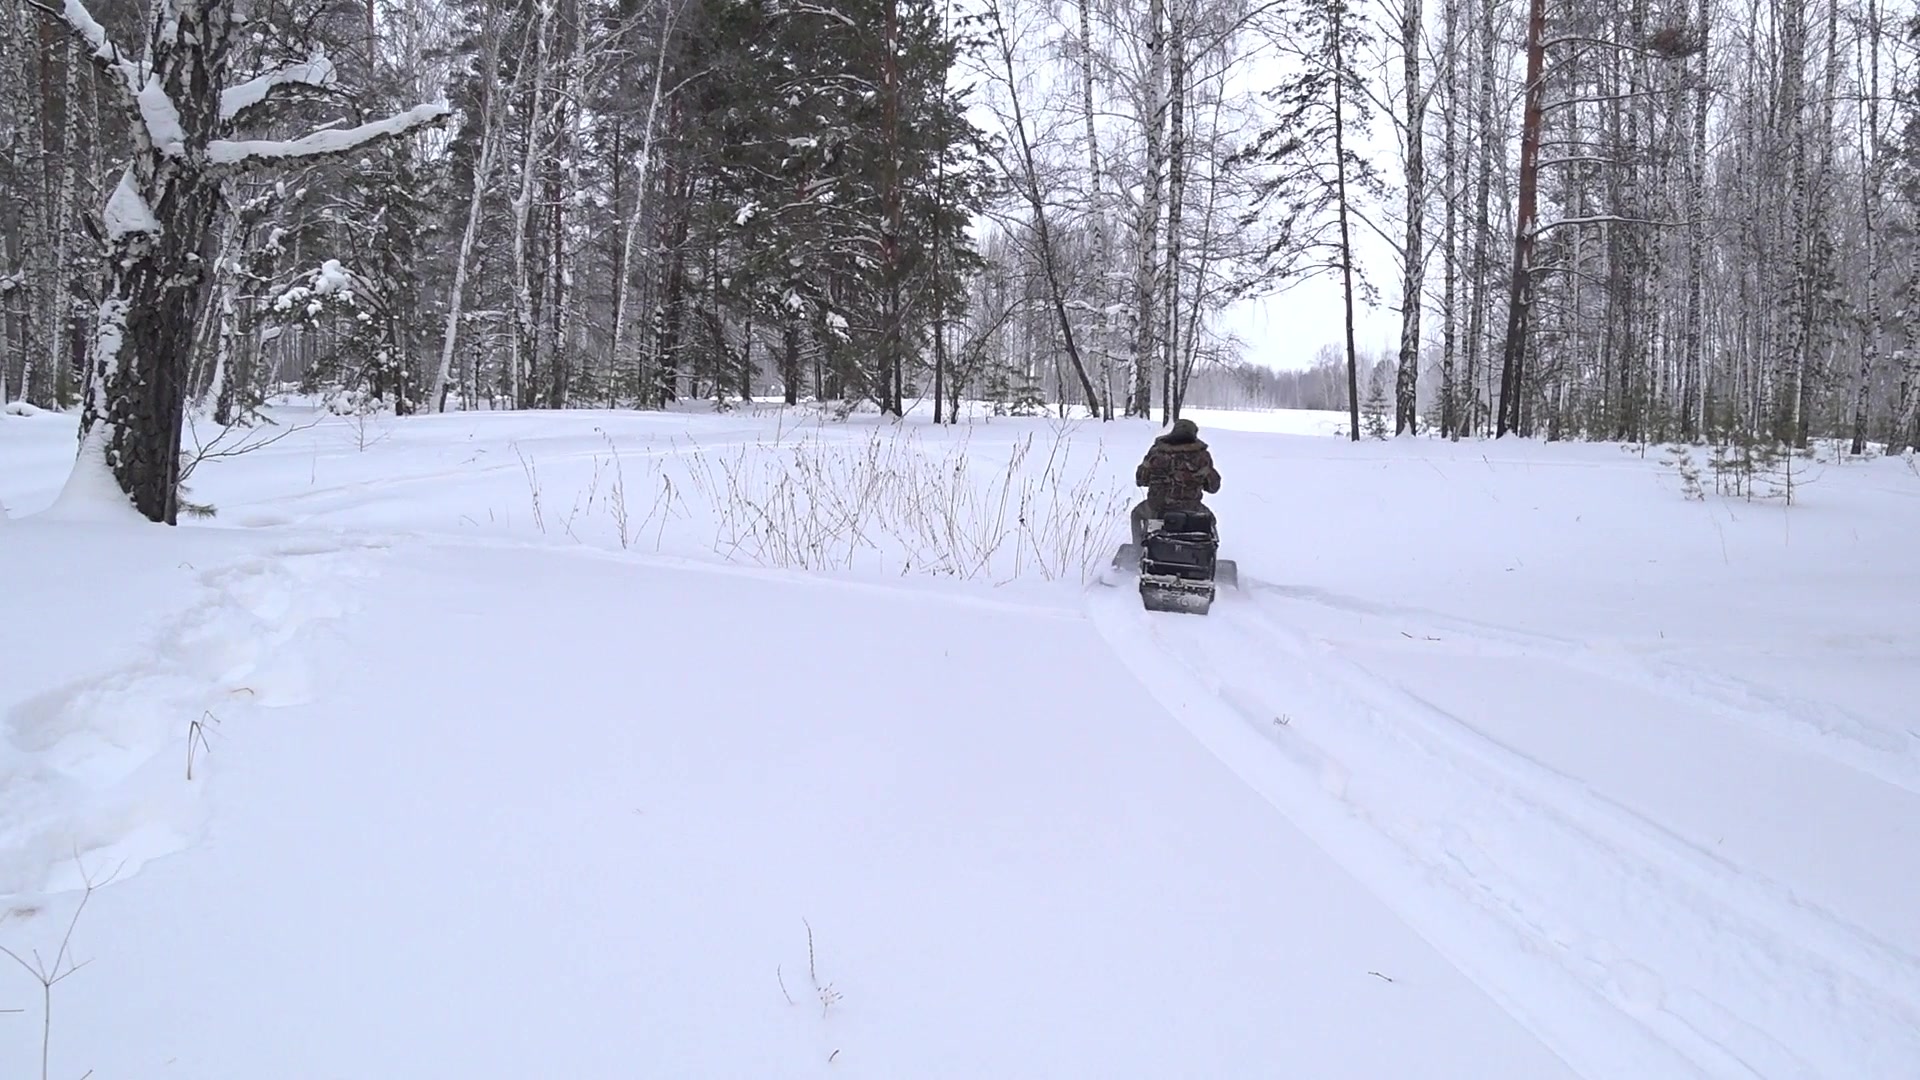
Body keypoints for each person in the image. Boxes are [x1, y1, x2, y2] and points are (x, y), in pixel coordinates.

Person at [1130, 417, 1221, 547]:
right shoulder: (1202, 456)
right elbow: (1213, 487)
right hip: (1191, 511)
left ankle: (1137, 552)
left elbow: (1140, 479)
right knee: (1210, 520)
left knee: (1137, 514)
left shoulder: (1157, 452)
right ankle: (1206, 553)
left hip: (1157, 510)